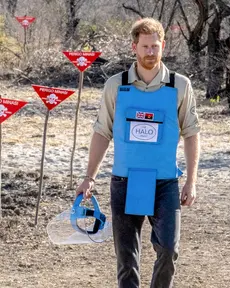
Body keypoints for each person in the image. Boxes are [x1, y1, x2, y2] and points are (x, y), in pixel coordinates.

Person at [76, 17, 201, 288]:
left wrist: (191, 181)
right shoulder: (115, 85)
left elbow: (192, 133)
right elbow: (101, 132)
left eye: (155, 46)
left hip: (165, 183)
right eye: (145, 47)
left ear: (163, 46)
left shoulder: (179, 86)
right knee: (126, 260)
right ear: (134, 47)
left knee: (168, 249)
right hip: (125, 182)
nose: (150, 52)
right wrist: (89, 177)